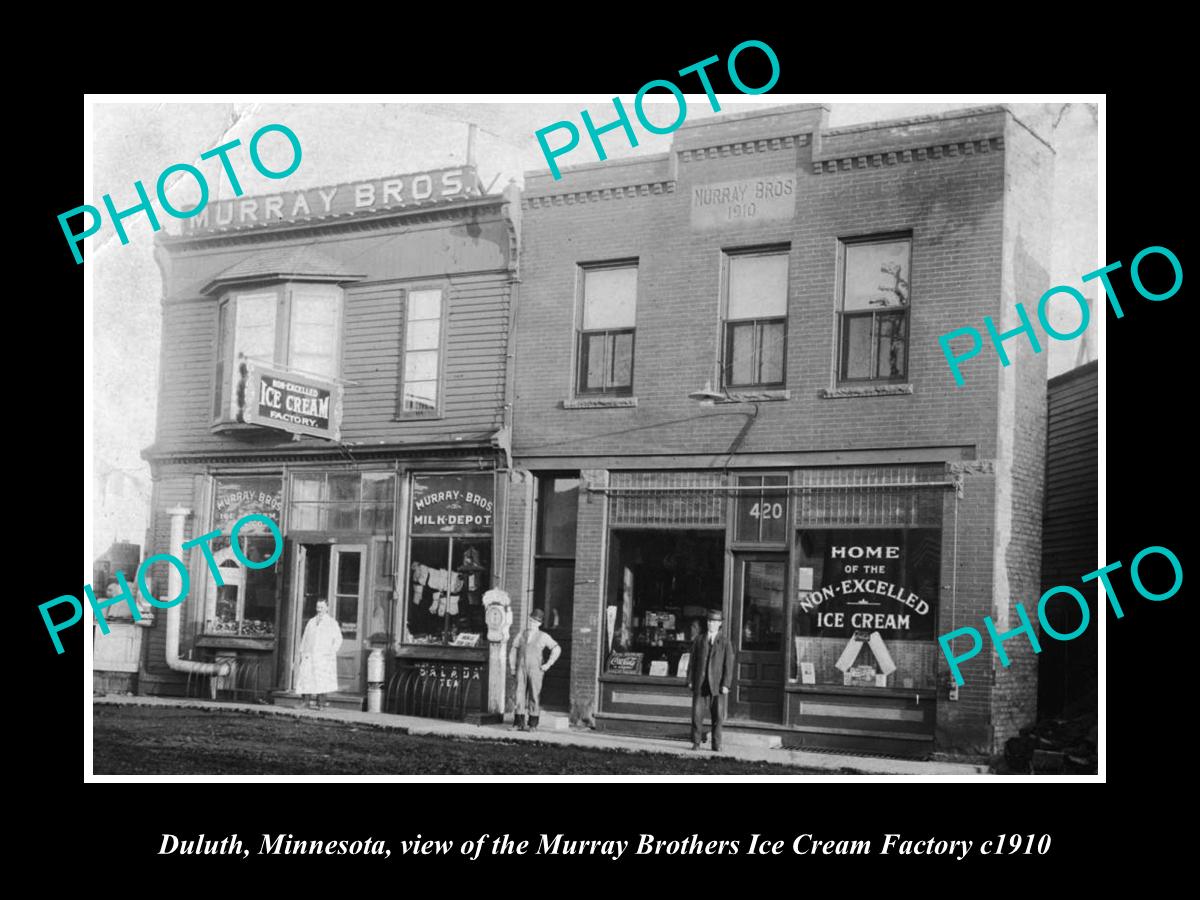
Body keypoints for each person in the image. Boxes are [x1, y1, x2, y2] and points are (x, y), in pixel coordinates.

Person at [687, 608, 734, 751]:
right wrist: (690, 680)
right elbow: (692, 662)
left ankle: (716, 744)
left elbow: (729, 665)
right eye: (709, 621)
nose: (711, 624)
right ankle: (696, 742)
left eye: (714, 622)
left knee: (718, 716)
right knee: (696, 715)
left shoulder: (725, 642)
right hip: (700, 683)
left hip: (717, 684)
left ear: (720, 624)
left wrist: (726, 684)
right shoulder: (699, 640)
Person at [509, 608, 561, 732]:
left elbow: (556, 648)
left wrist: (548, 664)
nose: (533, 623)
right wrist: (512, 667)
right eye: (531, 620)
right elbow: (513, 650)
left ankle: (533, 724)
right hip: (521, 668)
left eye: (536, 621)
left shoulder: (544, 636)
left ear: (540, 623)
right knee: (519, 694)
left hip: (536, 669)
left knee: (534, 695)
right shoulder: (521, 634)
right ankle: (518, 723)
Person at [294, 599, 343, 710]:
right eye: (318, 607)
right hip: (310, 655)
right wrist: (302, 652)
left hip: (324, 656)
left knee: (322, 679)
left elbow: (338, 639)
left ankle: (321, 703)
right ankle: (305, 701)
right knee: (306, 678)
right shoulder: (311, 622)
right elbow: (305, 637)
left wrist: (331, 651)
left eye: (321, 607)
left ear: (327, 608)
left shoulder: (331, 623)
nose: (319, 610)